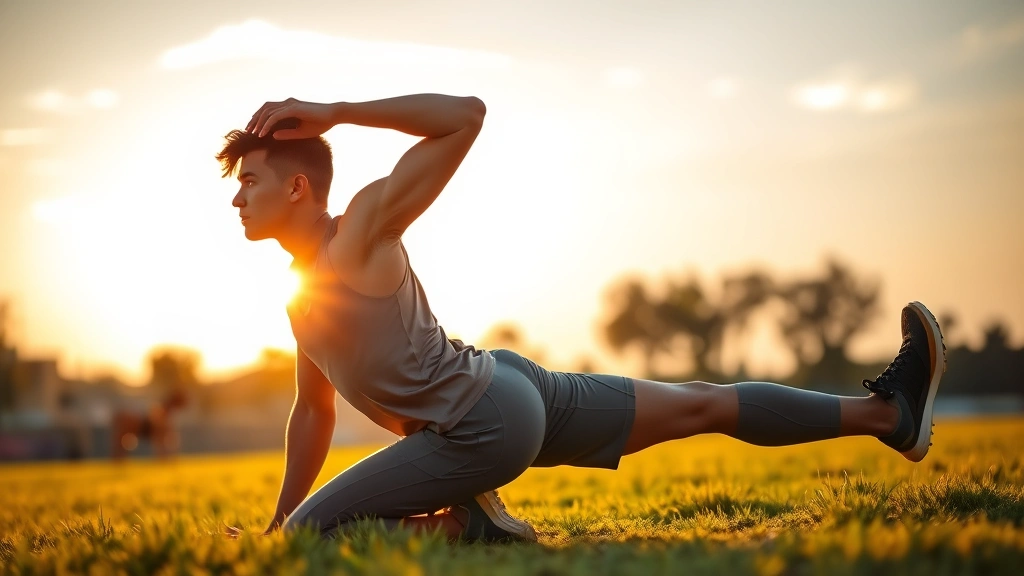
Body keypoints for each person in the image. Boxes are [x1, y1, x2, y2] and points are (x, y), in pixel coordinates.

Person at [216, 94, 945, 543]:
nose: (237, 198)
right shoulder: (301, 300)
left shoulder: (362, 232)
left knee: (314, 534)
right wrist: (279, 515)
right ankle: (891, 417)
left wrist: (340, 112)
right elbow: (310, 413)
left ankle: (464, 527)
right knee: (701, 402)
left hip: (488, 421)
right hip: (503, 390)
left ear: (300, 187)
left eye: (250, 181)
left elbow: (464, 116)